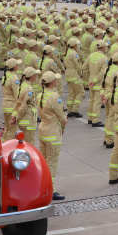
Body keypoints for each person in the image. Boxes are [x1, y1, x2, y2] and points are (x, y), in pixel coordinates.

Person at [38, 71, 68, 200]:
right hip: (52, 132)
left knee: (44, 162)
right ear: (53, 83)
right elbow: (62, 117)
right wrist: (63, 125)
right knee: (52, 163)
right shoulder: (54, 96)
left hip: (43, 131)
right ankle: (51, 189)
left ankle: (42, 186)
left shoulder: (40, 95)